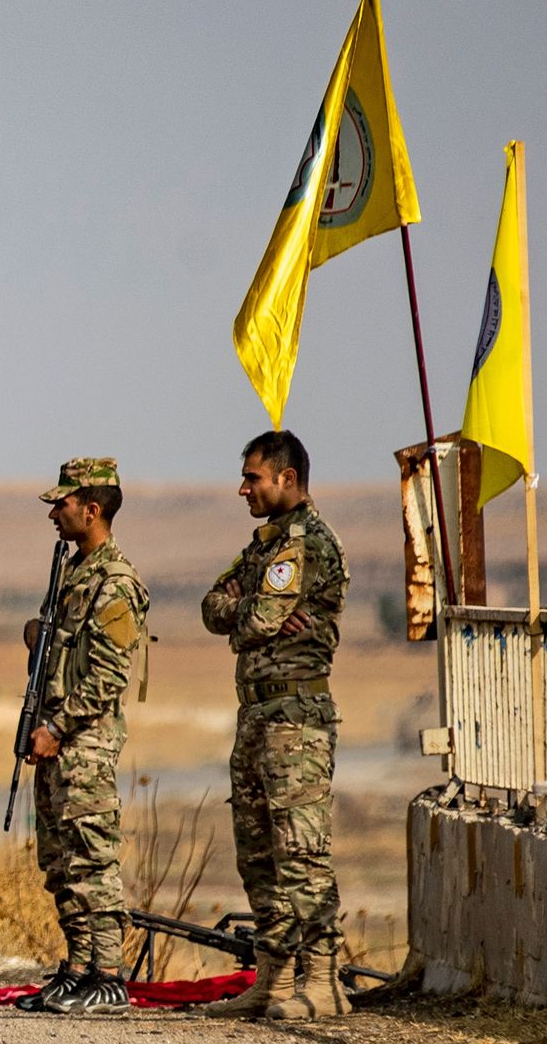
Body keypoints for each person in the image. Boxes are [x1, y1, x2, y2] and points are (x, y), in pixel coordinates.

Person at [199, 430, 349, 1022]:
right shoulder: (264, 546)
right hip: (256, 712)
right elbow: (214, 606)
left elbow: (257, 618)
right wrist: (248, 608)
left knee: (301, 851)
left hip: (296, 718)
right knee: (258, 852)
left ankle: (325, 978)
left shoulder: (309, 542)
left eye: (253, 478)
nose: (244, 489)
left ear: (286, 478)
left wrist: (251, 610)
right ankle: (276, 978)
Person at [16, 457, 150, 1016]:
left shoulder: (116, 583)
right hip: (55, 743)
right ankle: (77, 967)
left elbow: (106, 678)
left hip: (84, 745)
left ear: (91, 510)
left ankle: (110, 974)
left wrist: (55, 727)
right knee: (60, 860)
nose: (54, 513)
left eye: (62, 503)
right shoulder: (72, 572)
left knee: (94, 859)